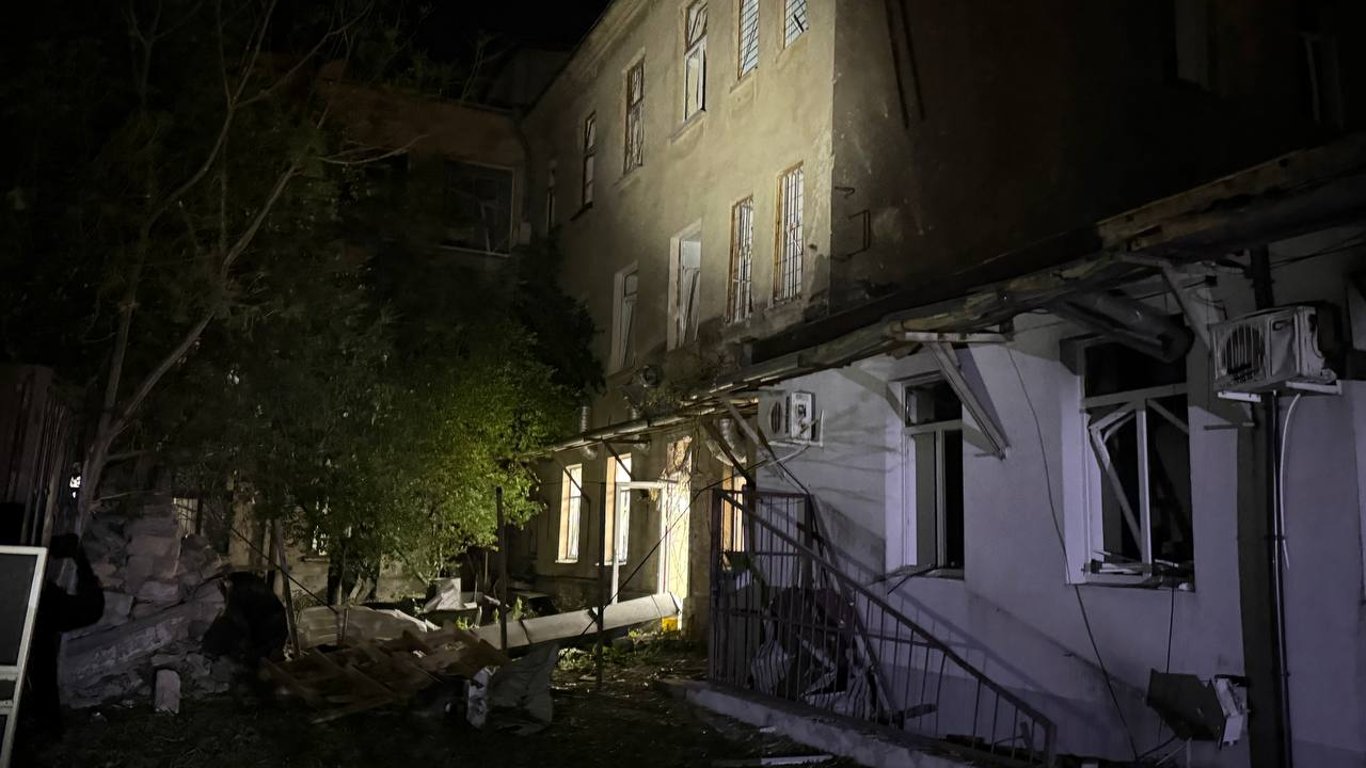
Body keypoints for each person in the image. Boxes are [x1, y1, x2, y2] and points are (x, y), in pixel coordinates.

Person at [21, 532, 105, 737]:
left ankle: (46, 723)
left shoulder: (42, 597)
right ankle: (46, 724)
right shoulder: (36, 595)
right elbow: (89, 610)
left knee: (43, 659)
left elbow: (88, 610)